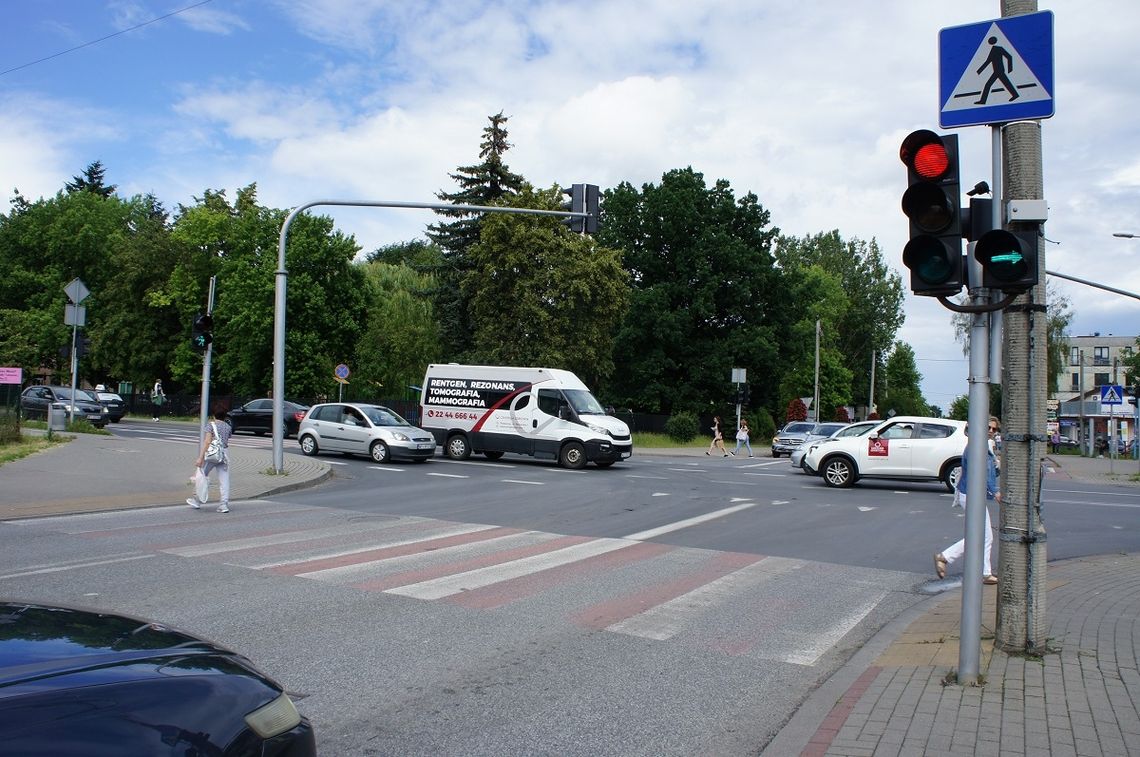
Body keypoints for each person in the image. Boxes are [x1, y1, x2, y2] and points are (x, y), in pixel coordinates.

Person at [935, 423, 1000, 584]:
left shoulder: (982, 445)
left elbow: (989, 471)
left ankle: (984, 572)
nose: (991, 431)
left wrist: (997, 466)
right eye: (988, 427)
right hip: (971, 495)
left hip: (972, 494)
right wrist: (995, 491)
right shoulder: (977, 447)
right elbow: (981, 471)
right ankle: (945, 557)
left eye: (994, 429)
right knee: (981, 535)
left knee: (984, 536)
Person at [187, 403, 233, 513]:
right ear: (225, 415)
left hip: (212, 454)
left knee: (201, 475)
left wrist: (200, 457)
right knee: (224, 480)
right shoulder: (228, 427)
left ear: (213, 414)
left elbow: (207, 442)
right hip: (223, 454)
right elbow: (227, 439)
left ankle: (197, 500)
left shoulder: (210, 425)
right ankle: (224, 504)